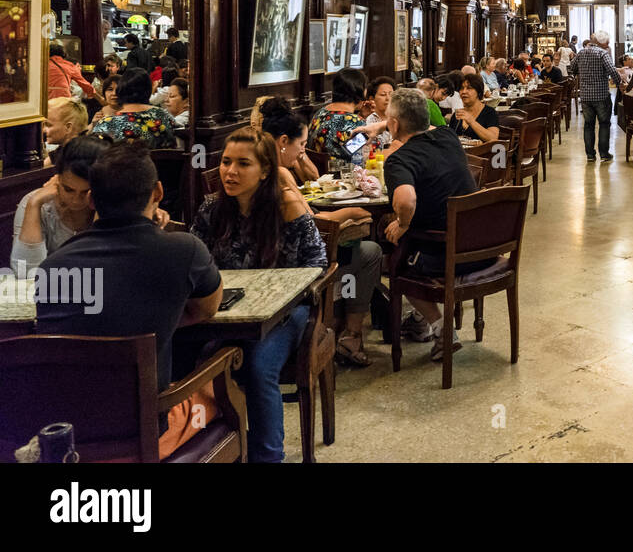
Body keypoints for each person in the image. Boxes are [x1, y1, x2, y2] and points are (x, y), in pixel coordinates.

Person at [34, 142, 223, 460]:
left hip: (69, 435)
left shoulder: (51, 267)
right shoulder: (185, 250)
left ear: (92, 199)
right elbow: (207, 308)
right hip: (148, 430)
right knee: (219, 389)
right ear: (158, 192)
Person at [190, 127, 327, 462]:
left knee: (258, 365)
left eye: (243, 164)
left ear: (265, 170)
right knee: (186, 354)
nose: (230, 172)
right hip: (227, 313)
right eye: (225, 162)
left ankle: (268, 456)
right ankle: (221, 446)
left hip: (287, 313)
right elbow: (193, 263)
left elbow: (318, 265)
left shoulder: (288, 207)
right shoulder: (212, 209)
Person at [256, 97, 383, 368]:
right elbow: (313, 223)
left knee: (359, 245)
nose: (304, 150)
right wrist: (350, 214)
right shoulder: (279, 175)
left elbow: (313, 181)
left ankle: (346, 330)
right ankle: (350, 334)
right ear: (282, 142)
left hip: (291, 246)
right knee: (370, 251)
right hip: (295, 260)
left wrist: (299, 156)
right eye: (301, 145)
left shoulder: (279, 167)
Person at [382, 88, 480, 358]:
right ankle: (419, 322)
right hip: (483, 244)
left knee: (397, 262)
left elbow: (406, 200)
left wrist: (402, 224)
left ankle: (440, 327)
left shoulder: (398, 160)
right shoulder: (447, 136)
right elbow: (427, 124)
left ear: (395, 124)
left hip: (449, 256)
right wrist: (387, 122)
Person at [13, 135, 112, 274]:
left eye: (87, 192)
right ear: (57, 178)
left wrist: (101, 208)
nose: (76, 200)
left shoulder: (114, 203)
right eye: (68, 189)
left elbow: (107, 269)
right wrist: (34, 205)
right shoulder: (38, 203)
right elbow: (25, 272)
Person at [90, 67, 177, 148]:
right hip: (160, 164)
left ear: (121, 90)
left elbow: (96, 155)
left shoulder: (107, 124)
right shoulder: (163, 115)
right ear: (149, 90)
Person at [307, 67, 370, 165]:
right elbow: (369, 154)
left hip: (319, 175)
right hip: (343, 176)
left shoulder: (320, 113)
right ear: (359, 90)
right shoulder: (354, 122)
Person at [576, 31, 617, 162]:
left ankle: (590, 155)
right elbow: (612, 70)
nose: (608, 45)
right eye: (607, 43)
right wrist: (620, 83)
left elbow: (571, 68)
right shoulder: (602, 53)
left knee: (588, 125)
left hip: (586, 96)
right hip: (601, 96)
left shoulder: (581, 52)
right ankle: (604, 154)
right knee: (604, 124)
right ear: (601, 42)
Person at [42, 96, 89, 167]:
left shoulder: (80, 157)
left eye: (48, 125)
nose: (44, 130)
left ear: (68, 127)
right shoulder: (64, 150)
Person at [350, 76, 395, 149]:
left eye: (391, 94)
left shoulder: (400, 118)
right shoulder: (368, 121)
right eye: (383, 95)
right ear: (372, 99)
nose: (388, 98)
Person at [452, 73, 500, 142]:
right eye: (461, 88)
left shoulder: (490, 113)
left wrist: (471, 121)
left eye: (469, 88)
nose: (464, 92)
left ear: (478, 91)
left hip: (482, 152)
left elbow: (493, 138)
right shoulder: (457, 114)